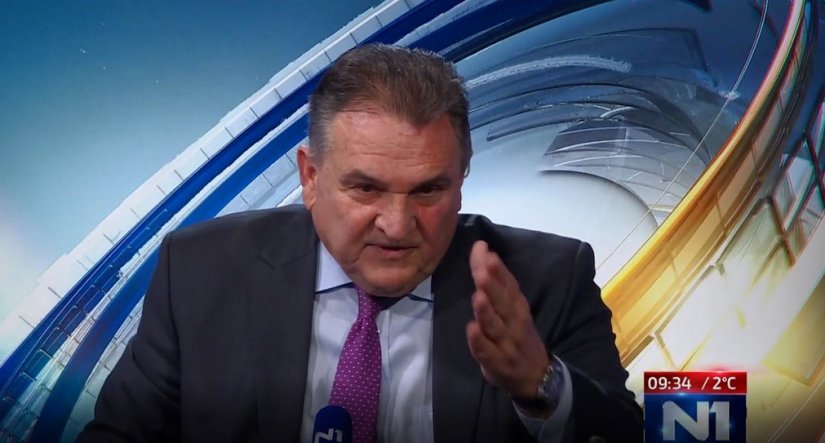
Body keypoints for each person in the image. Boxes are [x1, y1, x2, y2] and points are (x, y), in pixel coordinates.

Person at [79, 44, 642, 443]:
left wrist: (541, 384)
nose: (396, 226)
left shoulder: (548, 278)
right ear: (310, 177)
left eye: (428, 190)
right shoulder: (202, 271)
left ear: (462, 178)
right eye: (366, 189)